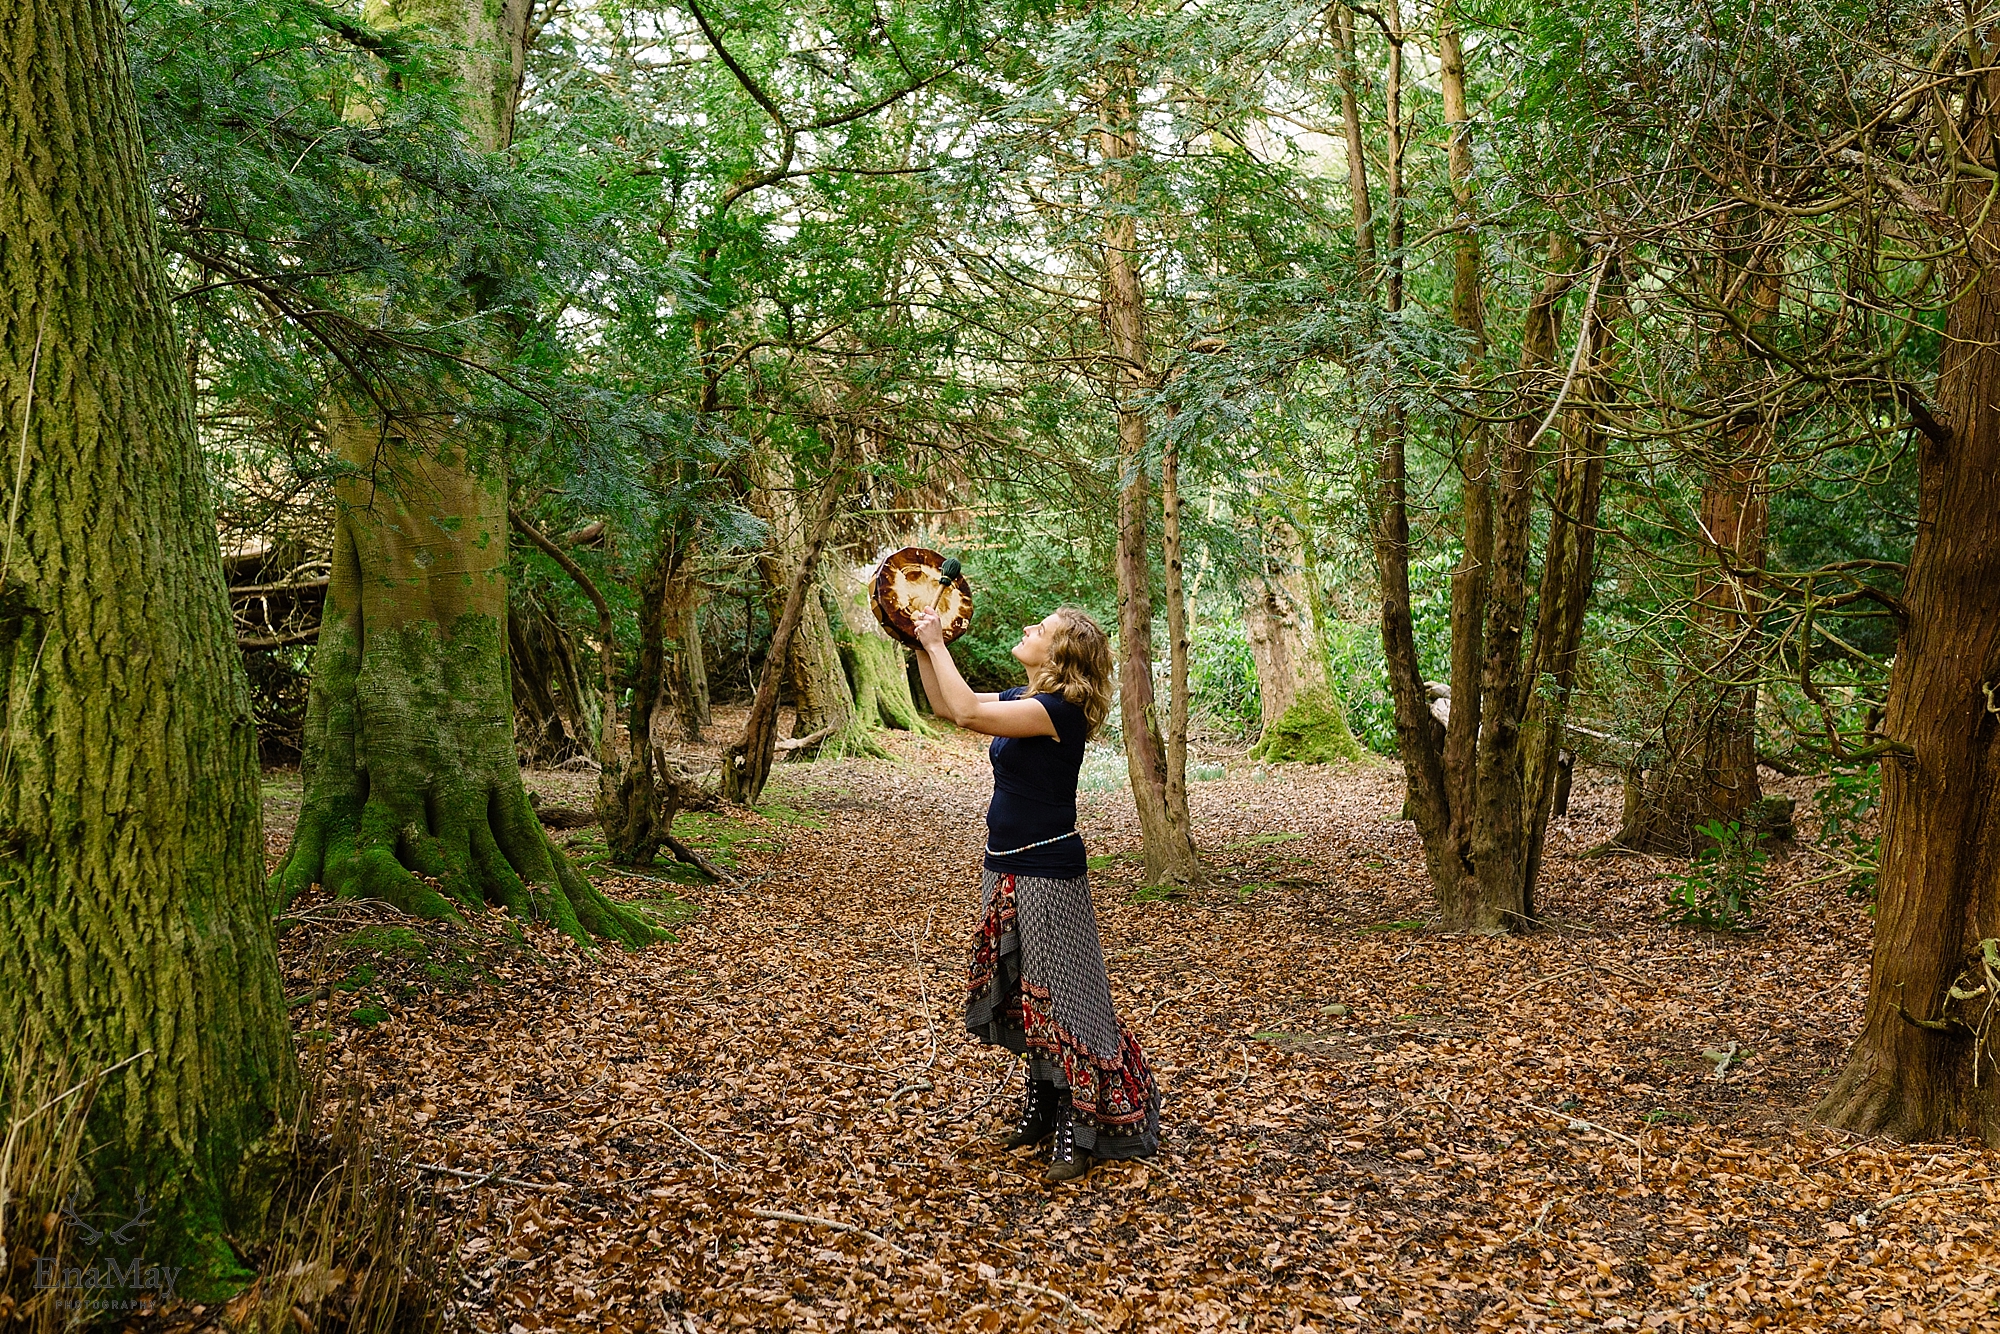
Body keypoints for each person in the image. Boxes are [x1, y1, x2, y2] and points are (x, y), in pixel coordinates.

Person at [912, 605, 1161, 1183]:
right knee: (1030, 995)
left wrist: (935, 642)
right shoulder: (1024, 700)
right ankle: (1043, 1111)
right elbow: (951, 709)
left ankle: (1080, 1130)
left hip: (1047, 873)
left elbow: (970, 711)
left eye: (1040, 631)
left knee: (1067, 1000)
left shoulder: (1059, 713)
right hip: (1005, 869)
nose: (1027, 630)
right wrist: (922, 647)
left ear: (1061, 654)